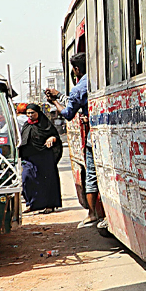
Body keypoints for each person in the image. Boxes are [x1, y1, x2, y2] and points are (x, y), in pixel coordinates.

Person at [46, 53, 101, 229]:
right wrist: (60, 96)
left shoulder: (79, 87)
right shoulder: (97, 79)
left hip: (94, 137)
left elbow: (69, 113)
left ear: (76, 69)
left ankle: (92, 214)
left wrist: (55, 102)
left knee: (91, 176)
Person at [20, 103, 63, 214]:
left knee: (47, 181)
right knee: (26, 178)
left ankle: (50, 205)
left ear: (38, 113)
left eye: (32, 113)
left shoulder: (45, 125)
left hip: (44, 158)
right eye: (28, 113)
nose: (30, 115)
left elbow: (56, 137)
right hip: (29, 159)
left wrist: (52, 139)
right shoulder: (26, 125)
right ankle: (32, 204)